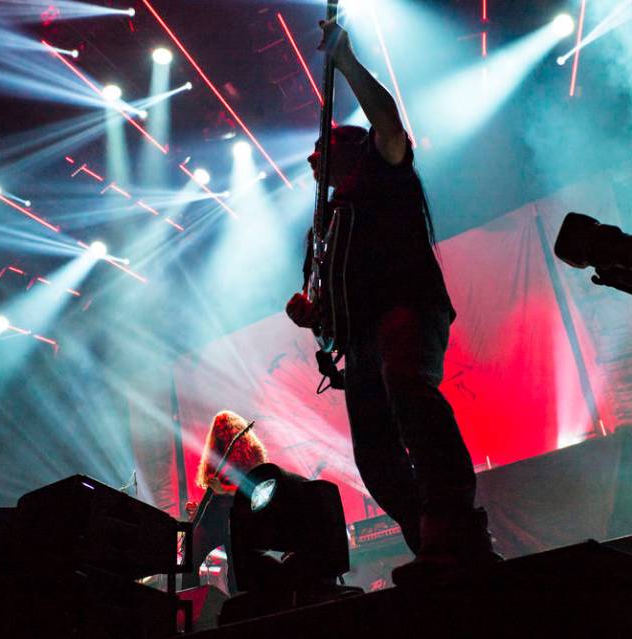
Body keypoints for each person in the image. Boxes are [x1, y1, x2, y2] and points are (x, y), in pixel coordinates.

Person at [286, 19, 499, 586]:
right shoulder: (325, 224)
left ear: (352, 147)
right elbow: (329, 309)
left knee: (410, 393)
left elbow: (387, 121)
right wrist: (315, 317)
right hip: (358, 339)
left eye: (321, 145)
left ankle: (450, 521)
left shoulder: (385, 169)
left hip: (407, 307)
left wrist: (349, 62)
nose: (312, 159)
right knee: (374, 454)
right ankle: (437, 537)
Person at [182, 410, 268, 594]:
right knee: (190, 556)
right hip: (212, 518)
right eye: (218, 431)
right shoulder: (218, 457)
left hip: (235, 518)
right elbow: (214, 495)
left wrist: (225, 491)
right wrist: (198, 510)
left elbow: (255, 490)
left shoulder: (250, 455)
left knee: (235, 569)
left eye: (224, 430)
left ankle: (239, 606)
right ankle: (190, 602)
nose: (221, 435)